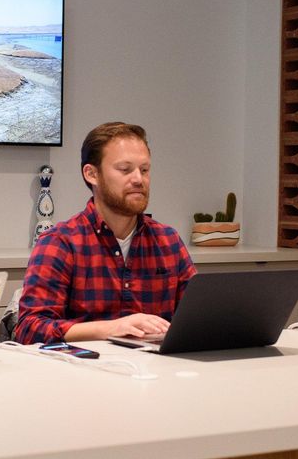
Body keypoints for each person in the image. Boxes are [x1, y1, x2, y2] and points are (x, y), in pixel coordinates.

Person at [14, 121, 195, 344]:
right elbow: (30, 329)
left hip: (156, 364)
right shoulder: (60, 243)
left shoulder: (168, 241)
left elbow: (199, 318)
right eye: (125, 169)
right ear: (92, 174)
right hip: (86, 364)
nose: (138, 179)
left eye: (144, 170)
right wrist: (112, 328)